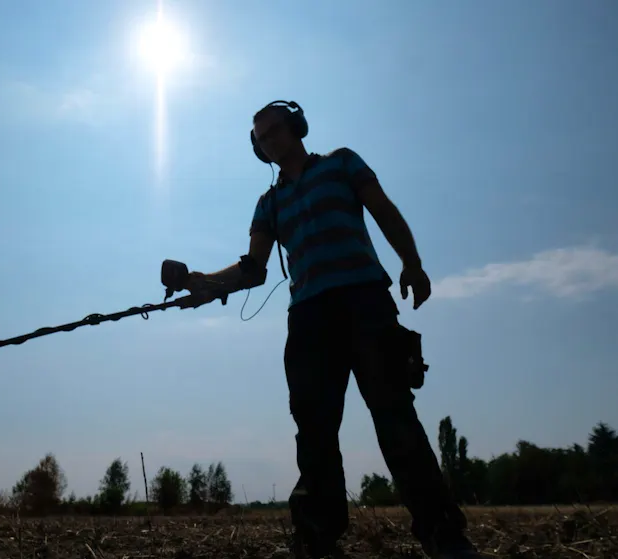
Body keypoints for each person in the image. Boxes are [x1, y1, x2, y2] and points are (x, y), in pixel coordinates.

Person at [180, 100, 483, 558]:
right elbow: (254, 268)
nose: (270, 141)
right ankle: (317, 538)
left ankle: (443, 533)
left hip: (365, 303)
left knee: (395, 417)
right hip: (308, 320)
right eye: (261, 139)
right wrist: (206, 284)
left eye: (275, 130)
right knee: (314, 431)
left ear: (297, 127)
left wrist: (413, 262)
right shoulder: (269, 203)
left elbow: (382, 209)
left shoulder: (342, 162)